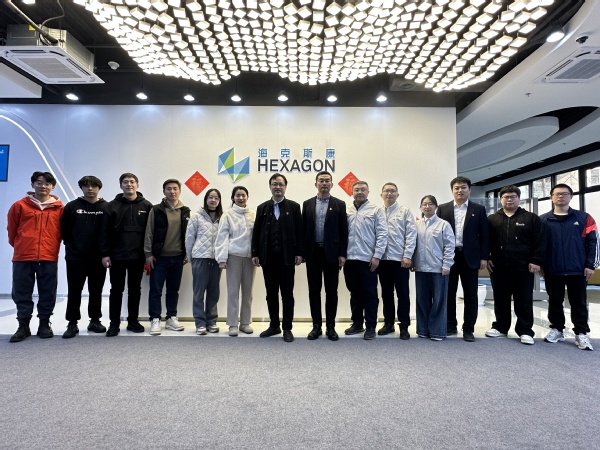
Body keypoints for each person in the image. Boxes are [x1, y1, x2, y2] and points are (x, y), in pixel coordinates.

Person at [540, 183, 599, 351]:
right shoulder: (543, 220)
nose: (561, 196)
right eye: (557, 194)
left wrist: (590, 265)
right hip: (553, 268)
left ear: (571, 196)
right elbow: (538, 245)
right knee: (554, 301)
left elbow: (593, 242)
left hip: (578, 269)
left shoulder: (584, 218)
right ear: (551, 197)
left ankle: (581, 333)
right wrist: (541, 264)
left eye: (565, 193)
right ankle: (557, 329)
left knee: (579, 303)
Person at [8, 171, 64, 342]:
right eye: (39, 183)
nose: (43, 186)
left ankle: (44, 324)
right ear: (32, 185)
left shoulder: (60, 209)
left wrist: (51, 247)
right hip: (23, 256)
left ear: (52, 187)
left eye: (47, 183)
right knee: (21, 292)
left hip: (48, 256)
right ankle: (23, 325)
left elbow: (62, 232)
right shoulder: (19, 206)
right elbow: (12, 231)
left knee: (48, 292)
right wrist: (22, 245)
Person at [485, 185, 545, 345]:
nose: (509, 199)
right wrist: (487, 257)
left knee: (523, 299)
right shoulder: (492, 219)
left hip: (523, 267)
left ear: (519, 199)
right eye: (506, 197)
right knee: (500, 298)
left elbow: (540, 241)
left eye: (513, 196)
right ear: (501, 199)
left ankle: (525, 330)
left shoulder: (530, 218)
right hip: (498, 266)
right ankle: (500, 327)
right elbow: (486, 241)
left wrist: (536, 261)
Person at [251, 173, 303, 342]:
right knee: (271, 294)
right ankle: (274, 325)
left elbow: (300, 232)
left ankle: (287, 328)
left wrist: (299, 253)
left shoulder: (294, 207)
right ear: (270, 187)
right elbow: (256, 232)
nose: (277, 187)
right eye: (274, 184)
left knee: (287, 294)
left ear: (285, 187)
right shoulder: (262, 208)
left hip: (287, 259)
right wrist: (255, 253)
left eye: (280, 184)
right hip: (268, 259)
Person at [100, 173, 152, 337]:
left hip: (138, 256)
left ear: (137, 185)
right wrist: (105, 254)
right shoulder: (111, 206)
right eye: (125, 182)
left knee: (135, 290)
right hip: (117, 256)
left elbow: (150, 232)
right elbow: (104, 232)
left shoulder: (147, 206)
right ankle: (114, 323)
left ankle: (133, 321)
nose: (129, 184)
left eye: (132, 182)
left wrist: (148, 254)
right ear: (120, 185)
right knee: (116, 290)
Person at [437, 176, 488, 342]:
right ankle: (450, 325)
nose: (460, 190)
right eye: (457, 188)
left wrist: (484, 257)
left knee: (471, 295)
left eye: (463, 187)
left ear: (469, 190)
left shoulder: (478, 209)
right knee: (448, 294)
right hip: (449, 257)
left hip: (470, 258)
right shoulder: (443, 209)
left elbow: (484, 235)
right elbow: (437, 234)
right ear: (452, 190)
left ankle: (468, 329)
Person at [302, 171, 348, 341]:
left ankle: (330, 327)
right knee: (314, 291)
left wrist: (342, 253)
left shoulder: (339, 204)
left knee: (331, 292)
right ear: (316, 184)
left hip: (332, 254)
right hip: (313, 253)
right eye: (321, 181)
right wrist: (303, 252)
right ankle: (316, 326)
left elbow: (344, 231)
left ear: (332, 184)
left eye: (327, 181)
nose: (324, 183)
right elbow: (303, 230)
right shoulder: (307, 204)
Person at [61, 175, 108, 339]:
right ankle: (72, 323)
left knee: (96, 291)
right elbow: (64, 231)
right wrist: (72, 248)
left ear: (99, 188)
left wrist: (105, 253)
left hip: (99, 258)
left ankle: (95, 320)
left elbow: (110, 232)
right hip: (75, 257)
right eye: (86, 186)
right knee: (74, 290)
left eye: (94, 186)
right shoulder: (72, 206)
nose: (90, 189)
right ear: (81, 188)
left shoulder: (106, 207)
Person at [145, 179, 190, 336]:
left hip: (178, 258)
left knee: (173, 290)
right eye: (169, 189)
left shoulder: (185, 211)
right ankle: (155, 319)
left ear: (180, 191)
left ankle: (171, 317)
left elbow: (189, 235)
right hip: (159, 258)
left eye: (175, 189)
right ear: (164, 191)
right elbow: (149, 232)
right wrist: (148, 253)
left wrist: (188, 253)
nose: (172, 191)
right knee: (155, 290)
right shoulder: (156, 210)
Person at [344, 181, 387, 340]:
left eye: (363, 189)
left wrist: (377, 256)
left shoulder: (375, 210)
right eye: (356, 190)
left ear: (368, 192)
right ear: (352, 192)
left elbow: (382, 234)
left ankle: (370, 326)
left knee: (370, 294)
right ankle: (357, 323)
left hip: (368, 260)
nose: (360, 192)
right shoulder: (347, 210)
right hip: (350, 259)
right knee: (354, 293)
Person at [215, 186, 256, 337]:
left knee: (248, 292)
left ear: (247, 197)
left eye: (243, 195)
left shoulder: (253, 214)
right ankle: (233, 323)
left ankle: (245, 322)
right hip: (233, 256)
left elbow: (257, 237)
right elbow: (222, 237)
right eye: (237, 195)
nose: (241, 198)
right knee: (233, 292)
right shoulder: (227, 215)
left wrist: (257, 255)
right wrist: (222, 258)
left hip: (250, 258)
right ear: (233, 198)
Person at [378, 182, 417, 339]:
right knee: (386, 294)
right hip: (382, 260)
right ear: (381, 194)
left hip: (400, 260)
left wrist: (408, 255)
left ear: (397, 194)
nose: (389, 193)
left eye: (392, 191)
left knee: (403, 294)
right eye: (386, 191)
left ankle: (404, 325)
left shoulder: (405, 212)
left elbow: (411, 234)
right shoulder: (377, 212)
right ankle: (388, 323)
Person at [413, 196, 454, 341]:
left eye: (430, 204)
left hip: (438, 269)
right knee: (422, 300)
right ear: (420, 207)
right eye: (424, 204)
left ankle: (437, 332)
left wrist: (447, 264)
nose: (427, 206)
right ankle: (423, 330)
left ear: (436, 207)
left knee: (438, 301)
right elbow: (412, 244)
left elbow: (449, 246)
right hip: (421, 268)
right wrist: (413, 261)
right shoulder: (416, 224)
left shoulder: (443, 224)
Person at [185, 188, 223, 335]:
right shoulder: (196, 217)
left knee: (214, 292)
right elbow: (189, 238)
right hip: (200, 258)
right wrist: (191, 257)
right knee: (199, 292)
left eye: (216, 198)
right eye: (210, 197)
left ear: (219, 201)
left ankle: (211, 321)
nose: (213, 200)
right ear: (206, 199)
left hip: (216, 260)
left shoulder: (222, 218)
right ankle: (200, 322)